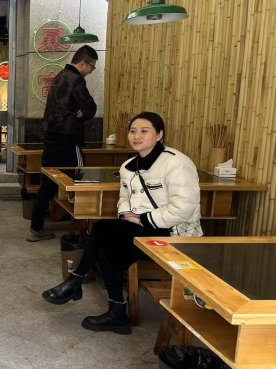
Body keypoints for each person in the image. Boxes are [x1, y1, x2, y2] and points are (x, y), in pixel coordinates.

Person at [41, 112, 202, 334]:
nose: (137, 136)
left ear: (159, 135)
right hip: (142, 231)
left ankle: (80, 285)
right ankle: (113, 311)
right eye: (133, 131)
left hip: (175, 235)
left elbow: (184, 208)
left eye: (144, 131)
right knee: (105, 243)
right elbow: (124, 198)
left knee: (102, 233)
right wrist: (126, 214)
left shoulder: (177, 163)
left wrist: (142, 219)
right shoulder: (128, 167)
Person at [28, 45, 98, 242]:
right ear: (83, 63)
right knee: (79, 180)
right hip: (68, 139)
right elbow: (90, 107)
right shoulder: (76, 79)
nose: (91, 71)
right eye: (92, 67)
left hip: (51, 137)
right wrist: (82, 113)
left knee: (48, 184)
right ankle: (79, 230)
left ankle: (36, 227)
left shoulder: (59, 76)